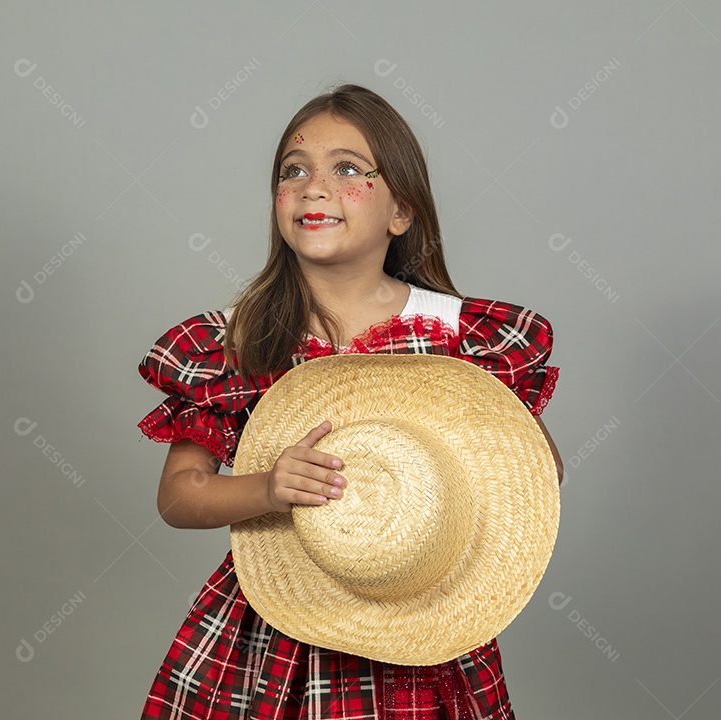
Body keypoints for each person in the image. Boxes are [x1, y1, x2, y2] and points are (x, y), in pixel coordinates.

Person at [137, 83, 563, 720]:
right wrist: (266, 489)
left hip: (424, 618)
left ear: (402, 211)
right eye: (294, 170)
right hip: (273, 633)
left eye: (347, 169)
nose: (313, 187)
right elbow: (179, 494)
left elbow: (538, 472)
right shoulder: (236, 341)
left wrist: (444, 486)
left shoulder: (462, 338)